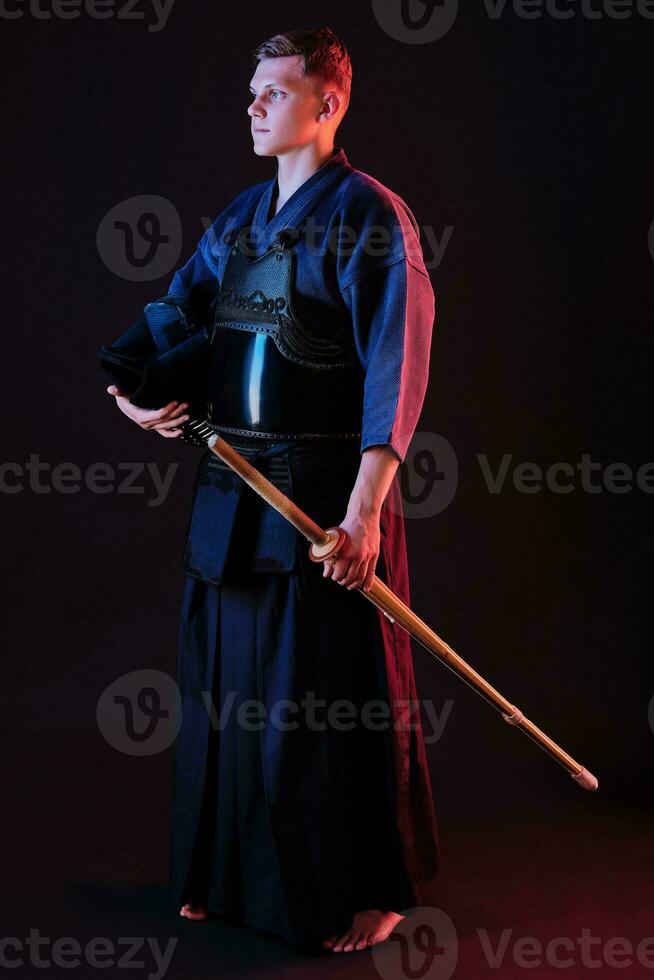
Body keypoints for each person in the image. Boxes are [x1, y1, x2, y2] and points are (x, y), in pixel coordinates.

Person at [105, 26, 442, 955]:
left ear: (327, 105)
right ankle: (225, 873)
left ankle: (370, 889)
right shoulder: (243, 217)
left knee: (321, 696)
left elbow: (393, 369)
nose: (253, 108)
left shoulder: (374, 218)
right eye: (252, 92)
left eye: (274, 93)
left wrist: (364, 511)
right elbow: (177, 311)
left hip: (326, 498)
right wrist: (136, 397)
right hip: (233, 488)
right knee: (226, 692)